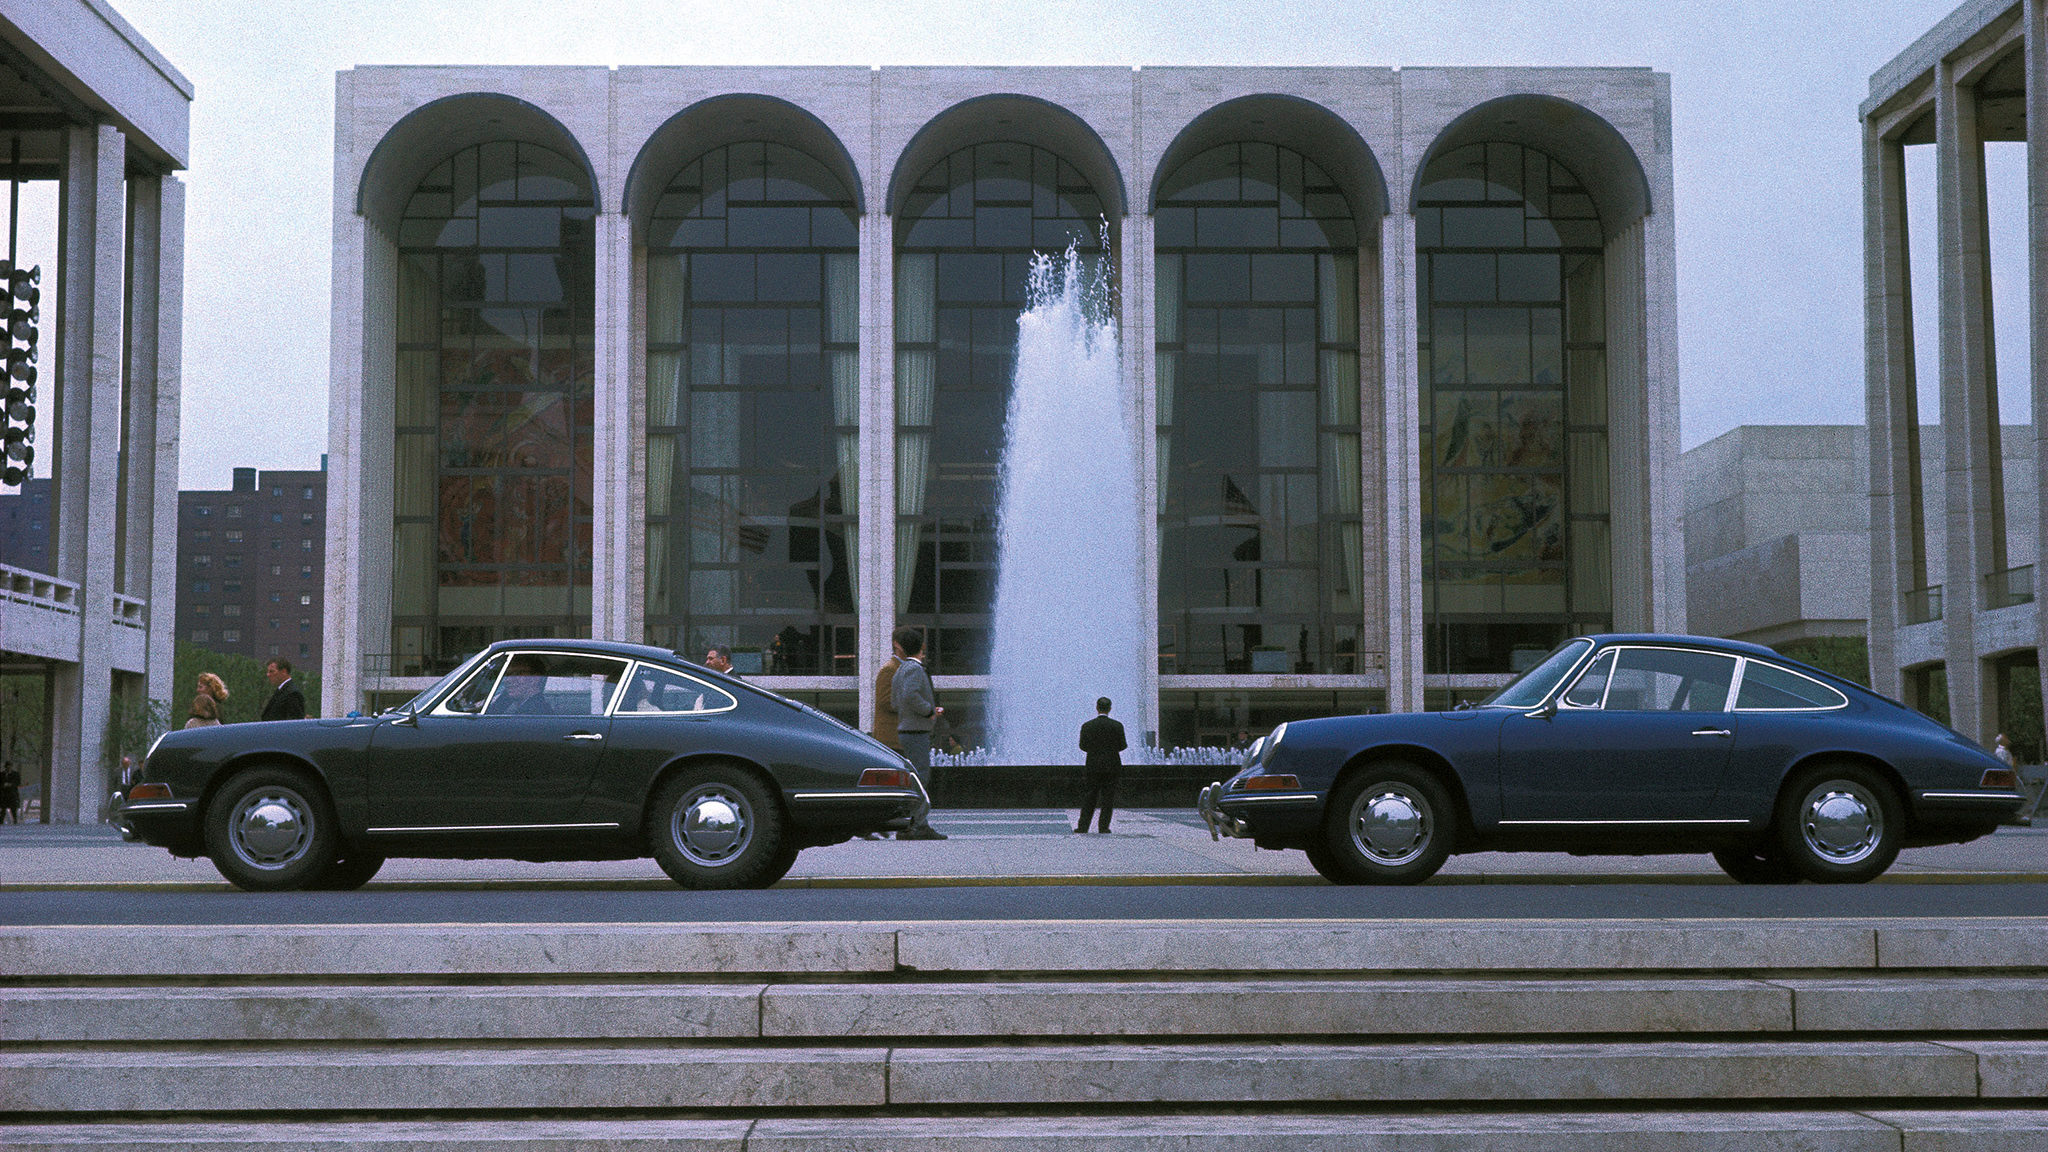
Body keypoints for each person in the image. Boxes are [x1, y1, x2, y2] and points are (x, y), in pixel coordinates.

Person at [889, 626, 946, 841]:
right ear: (921, 647)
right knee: (920, 778)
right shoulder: (914, 670)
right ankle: (917, 825)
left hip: (907, 728)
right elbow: (911, 695)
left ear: (900, 648)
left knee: (913, 778)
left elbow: (896, 702)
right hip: (916, 731)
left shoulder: (900, 670)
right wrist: (929, 710)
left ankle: (909, 825)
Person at [1076, 696, 1127, 834]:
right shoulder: (1117, 725)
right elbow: (1122, 746)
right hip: (1112, 766)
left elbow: (1083, 746)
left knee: (1089, 796)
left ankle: (1083, 827)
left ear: (1097, 707)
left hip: (1093, 765)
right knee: (1108, 798)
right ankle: (1103, 827)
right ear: (1110, 708)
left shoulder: (1087, 726)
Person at [489, 654, 554, 715]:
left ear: (536, 678)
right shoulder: (512, 702)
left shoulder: (536, 712)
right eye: (506, 675)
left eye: (518, 673)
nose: (507, 680)